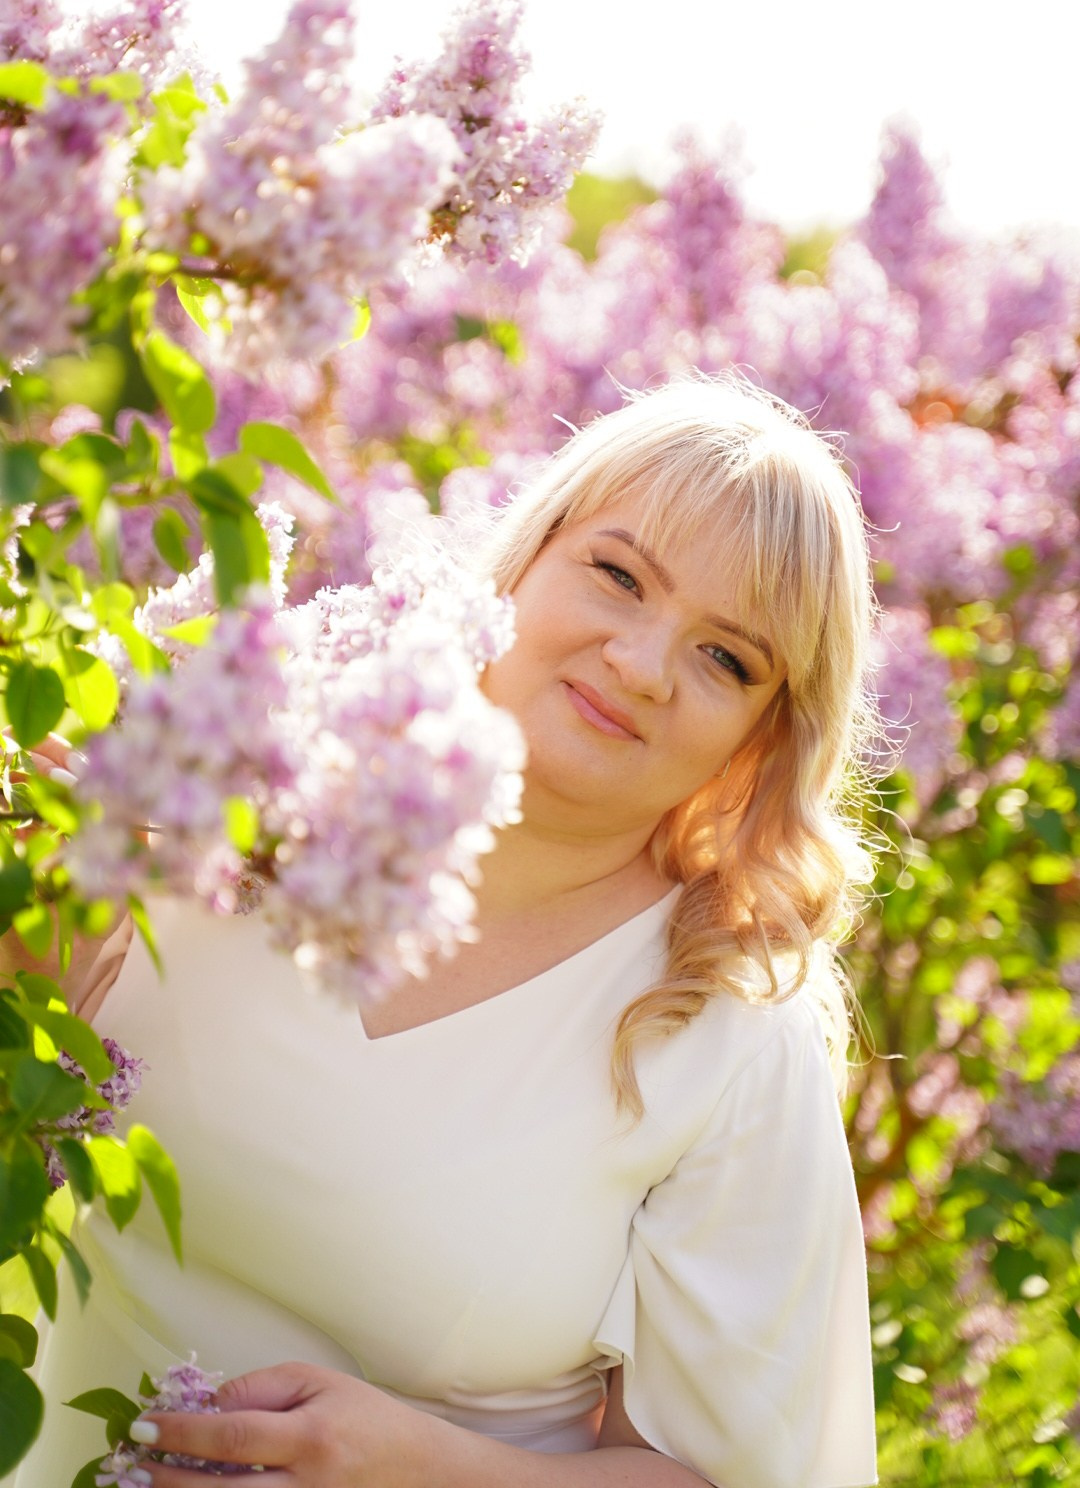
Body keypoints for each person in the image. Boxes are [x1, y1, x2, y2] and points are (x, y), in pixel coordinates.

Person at [14, 376, 880, 1488]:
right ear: (526, 556)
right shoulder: (232, 781)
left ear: (761, 739)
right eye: (619, 576)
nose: (642, 663)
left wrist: (421, 1465)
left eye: (728, 658)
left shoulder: (727, 1034)